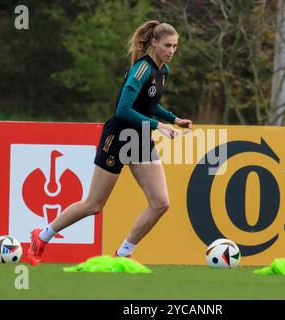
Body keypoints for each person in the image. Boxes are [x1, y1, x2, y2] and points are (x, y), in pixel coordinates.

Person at [27, 20, 192, 266]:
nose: (171, 51)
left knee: (160, 203)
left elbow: (148, 103)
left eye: (175, 46)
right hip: (117, 136)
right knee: (94, 204)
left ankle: (123, 254)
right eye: (167, 45)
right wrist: (159, 126)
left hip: (139, 137)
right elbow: (122, 109)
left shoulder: (163, 71)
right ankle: (42, 236)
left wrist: (173, 119)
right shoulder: (142, 69)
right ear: (154, 43)